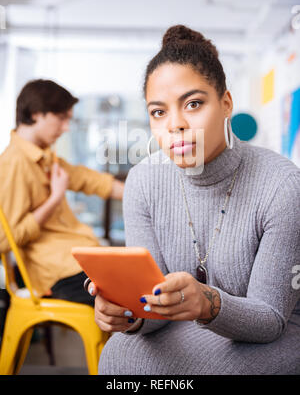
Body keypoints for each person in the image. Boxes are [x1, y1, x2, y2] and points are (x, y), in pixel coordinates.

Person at [87, 25, 300, 375]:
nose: (176, 125)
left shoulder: (283, 185)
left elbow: (271, 318)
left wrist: (207, 303)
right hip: (189, 326)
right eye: (159, 112)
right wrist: (128, 313)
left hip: (277, 331)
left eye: (194, 104)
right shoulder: (143, 181)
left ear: (226, 104)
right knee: (119, 353)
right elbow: (152, 308)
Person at [0, 79, 124, 306]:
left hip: (77, 261)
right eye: (61, 118)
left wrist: (141, 194)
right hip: (57, 273)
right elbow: (4, 239)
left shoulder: (45, 157)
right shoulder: (13, 164)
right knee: (131, 298)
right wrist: (55, 198)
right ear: (37, 114)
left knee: (137, 283)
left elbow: (88, 180)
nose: (66, 127)